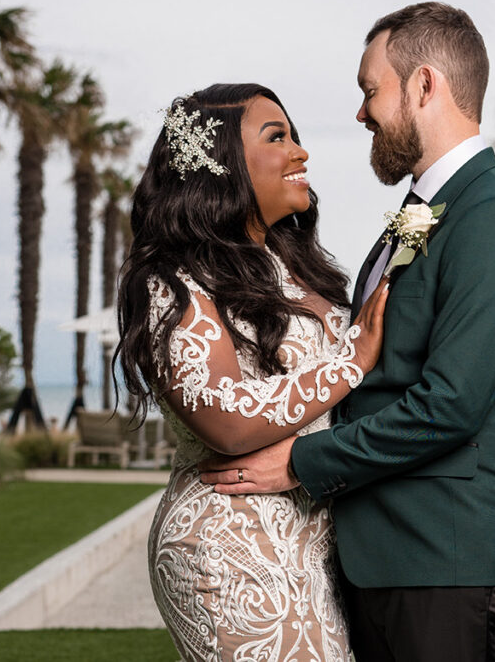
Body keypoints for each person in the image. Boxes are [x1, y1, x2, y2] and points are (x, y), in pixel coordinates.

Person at [201, 3, 495, 661]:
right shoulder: (417, 217)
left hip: (451, 562)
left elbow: (451, 404)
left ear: (425, 85)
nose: (361, 113)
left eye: (371, 90)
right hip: (387, 561)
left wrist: (301, 464)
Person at [115, 83, 389, 662]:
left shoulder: (298, 266)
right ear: (222, 164)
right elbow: (226, 420)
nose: (300, 152)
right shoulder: (174, 277)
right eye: (277, 137)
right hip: (230, 544)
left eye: (295, 135)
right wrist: (354, 361)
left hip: (311, 543)